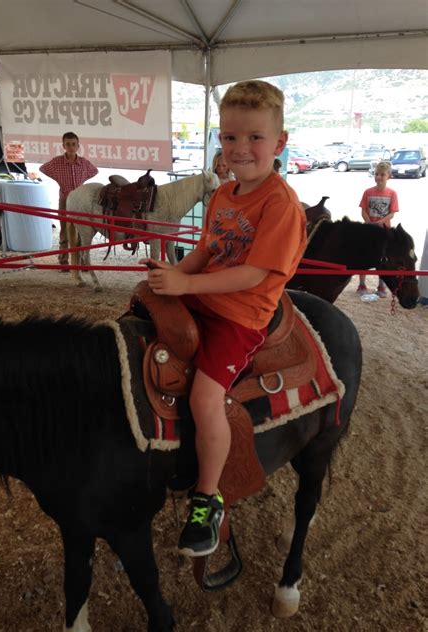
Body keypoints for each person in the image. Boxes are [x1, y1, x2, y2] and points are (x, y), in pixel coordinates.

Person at [140, 80, 306, 557]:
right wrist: (175, 274)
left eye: (254, 137)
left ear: (279, 142)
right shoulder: (224, 195)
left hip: (241, 316)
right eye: (230, 137)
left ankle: (207, 496)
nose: (240, 148)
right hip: (203, 296)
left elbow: (254, 275)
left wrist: (187, 286)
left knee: (205, 397)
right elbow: (207, 250)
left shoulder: (280, 204)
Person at [39, 132, 98, 267]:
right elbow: (43, 168)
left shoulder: (83, 163)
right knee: (65, 231)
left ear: (78, 146)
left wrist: (83, 181)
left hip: (80, 202)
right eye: (68, 144)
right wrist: (58, 179)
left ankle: (82, 262)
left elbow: (95, 171)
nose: (71, 147)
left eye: (73, 144)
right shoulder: (57, 162)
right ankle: (64, 261)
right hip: (65, 200)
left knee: (82, 231)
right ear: (63, 146)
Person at [357, 161, 399, 298]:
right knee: (363, 257)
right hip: (368, 230)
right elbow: (363, 210)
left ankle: (381, 285)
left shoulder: (392, 193)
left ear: (389, 176)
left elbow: (392, 213)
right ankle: (362, 284)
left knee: (383, 259)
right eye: (377, 174)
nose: (379, 177)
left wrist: (379, 222)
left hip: (384, 230)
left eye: (382, 174)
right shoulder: (367, 192)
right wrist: (369, 222)